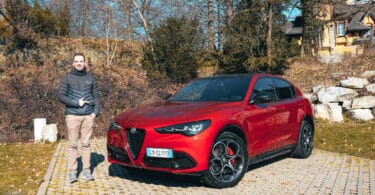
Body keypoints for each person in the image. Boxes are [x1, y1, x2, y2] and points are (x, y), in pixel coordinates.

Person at [57, 53, 100, 183]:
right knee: (73, 145)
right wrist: (76, 103)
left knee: (86, 144)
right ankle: (73, 172)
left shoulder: (91, 78)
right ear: (73, 63)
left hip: (88, 116)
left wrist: (95, 112)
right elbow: (61, 96)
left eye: (81, 61)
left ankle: (87, 171)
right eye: (76, 61)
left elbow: (96, 96)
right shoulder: (67, 78)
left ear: (85, 63)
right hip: (72, 115)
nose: (79, 63)